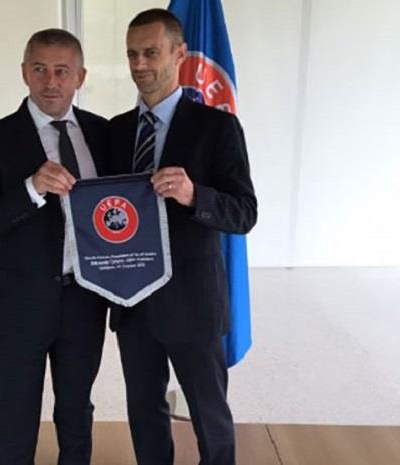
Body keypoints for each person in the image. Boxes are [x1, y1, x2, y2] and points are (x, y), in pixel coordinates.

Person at [108, 9, 257, 465]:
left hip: (193, 302)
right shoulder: (114, 132)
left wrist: (195, 195)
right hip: (132, 301)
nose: (140, 64)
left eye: (151, 52)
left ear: (180, 54)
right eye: (132, 54)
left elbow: (245, 213)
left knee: (209, 414)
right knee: (144, 413)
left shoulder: (216, 127)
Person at [0, 29, 108, 465]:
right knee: (17, 415)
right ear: (24, 73)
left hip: (85, 300)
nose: (51, 82)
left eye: (62, 71)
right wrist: (30, 188)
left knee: (77, 411)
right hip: (19, 305)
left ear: (80, 77)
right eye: (40, 69)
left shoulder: (103, 133)